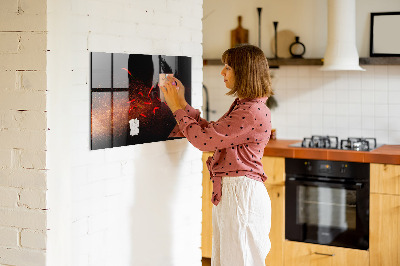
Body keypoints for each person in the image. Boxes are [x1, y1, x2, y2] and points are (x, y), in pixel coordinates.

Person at [161, 44, 273, 266]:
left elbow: (204, 141)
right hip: (236, 193)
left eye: (228, 67)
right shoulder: (246, 106)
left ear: (244, 72)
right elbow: (212, 133)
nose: (222, 72)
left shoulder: (250, 111)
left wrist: (176, 108)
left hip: (241, 195)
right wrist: (182, 103)